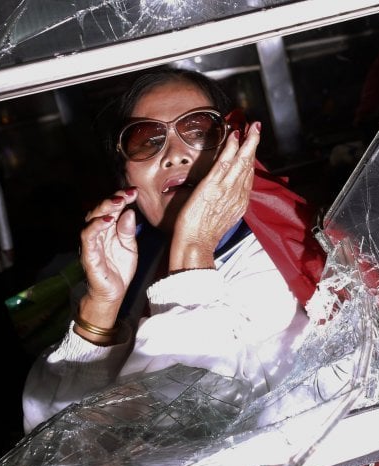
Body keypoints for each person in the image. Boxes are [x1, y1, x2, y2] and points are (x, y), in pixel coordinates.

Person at [21, 67, 326, 434]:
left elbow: (178, 436)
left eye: (199, 132)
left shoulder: (275, 268)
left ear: (236, 149)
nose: (175, 154)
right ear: (126, 177)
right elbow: (55, 441)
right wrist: (101, 306)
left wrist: (193, 251)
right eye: (147, 140)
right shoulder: (142, 263)